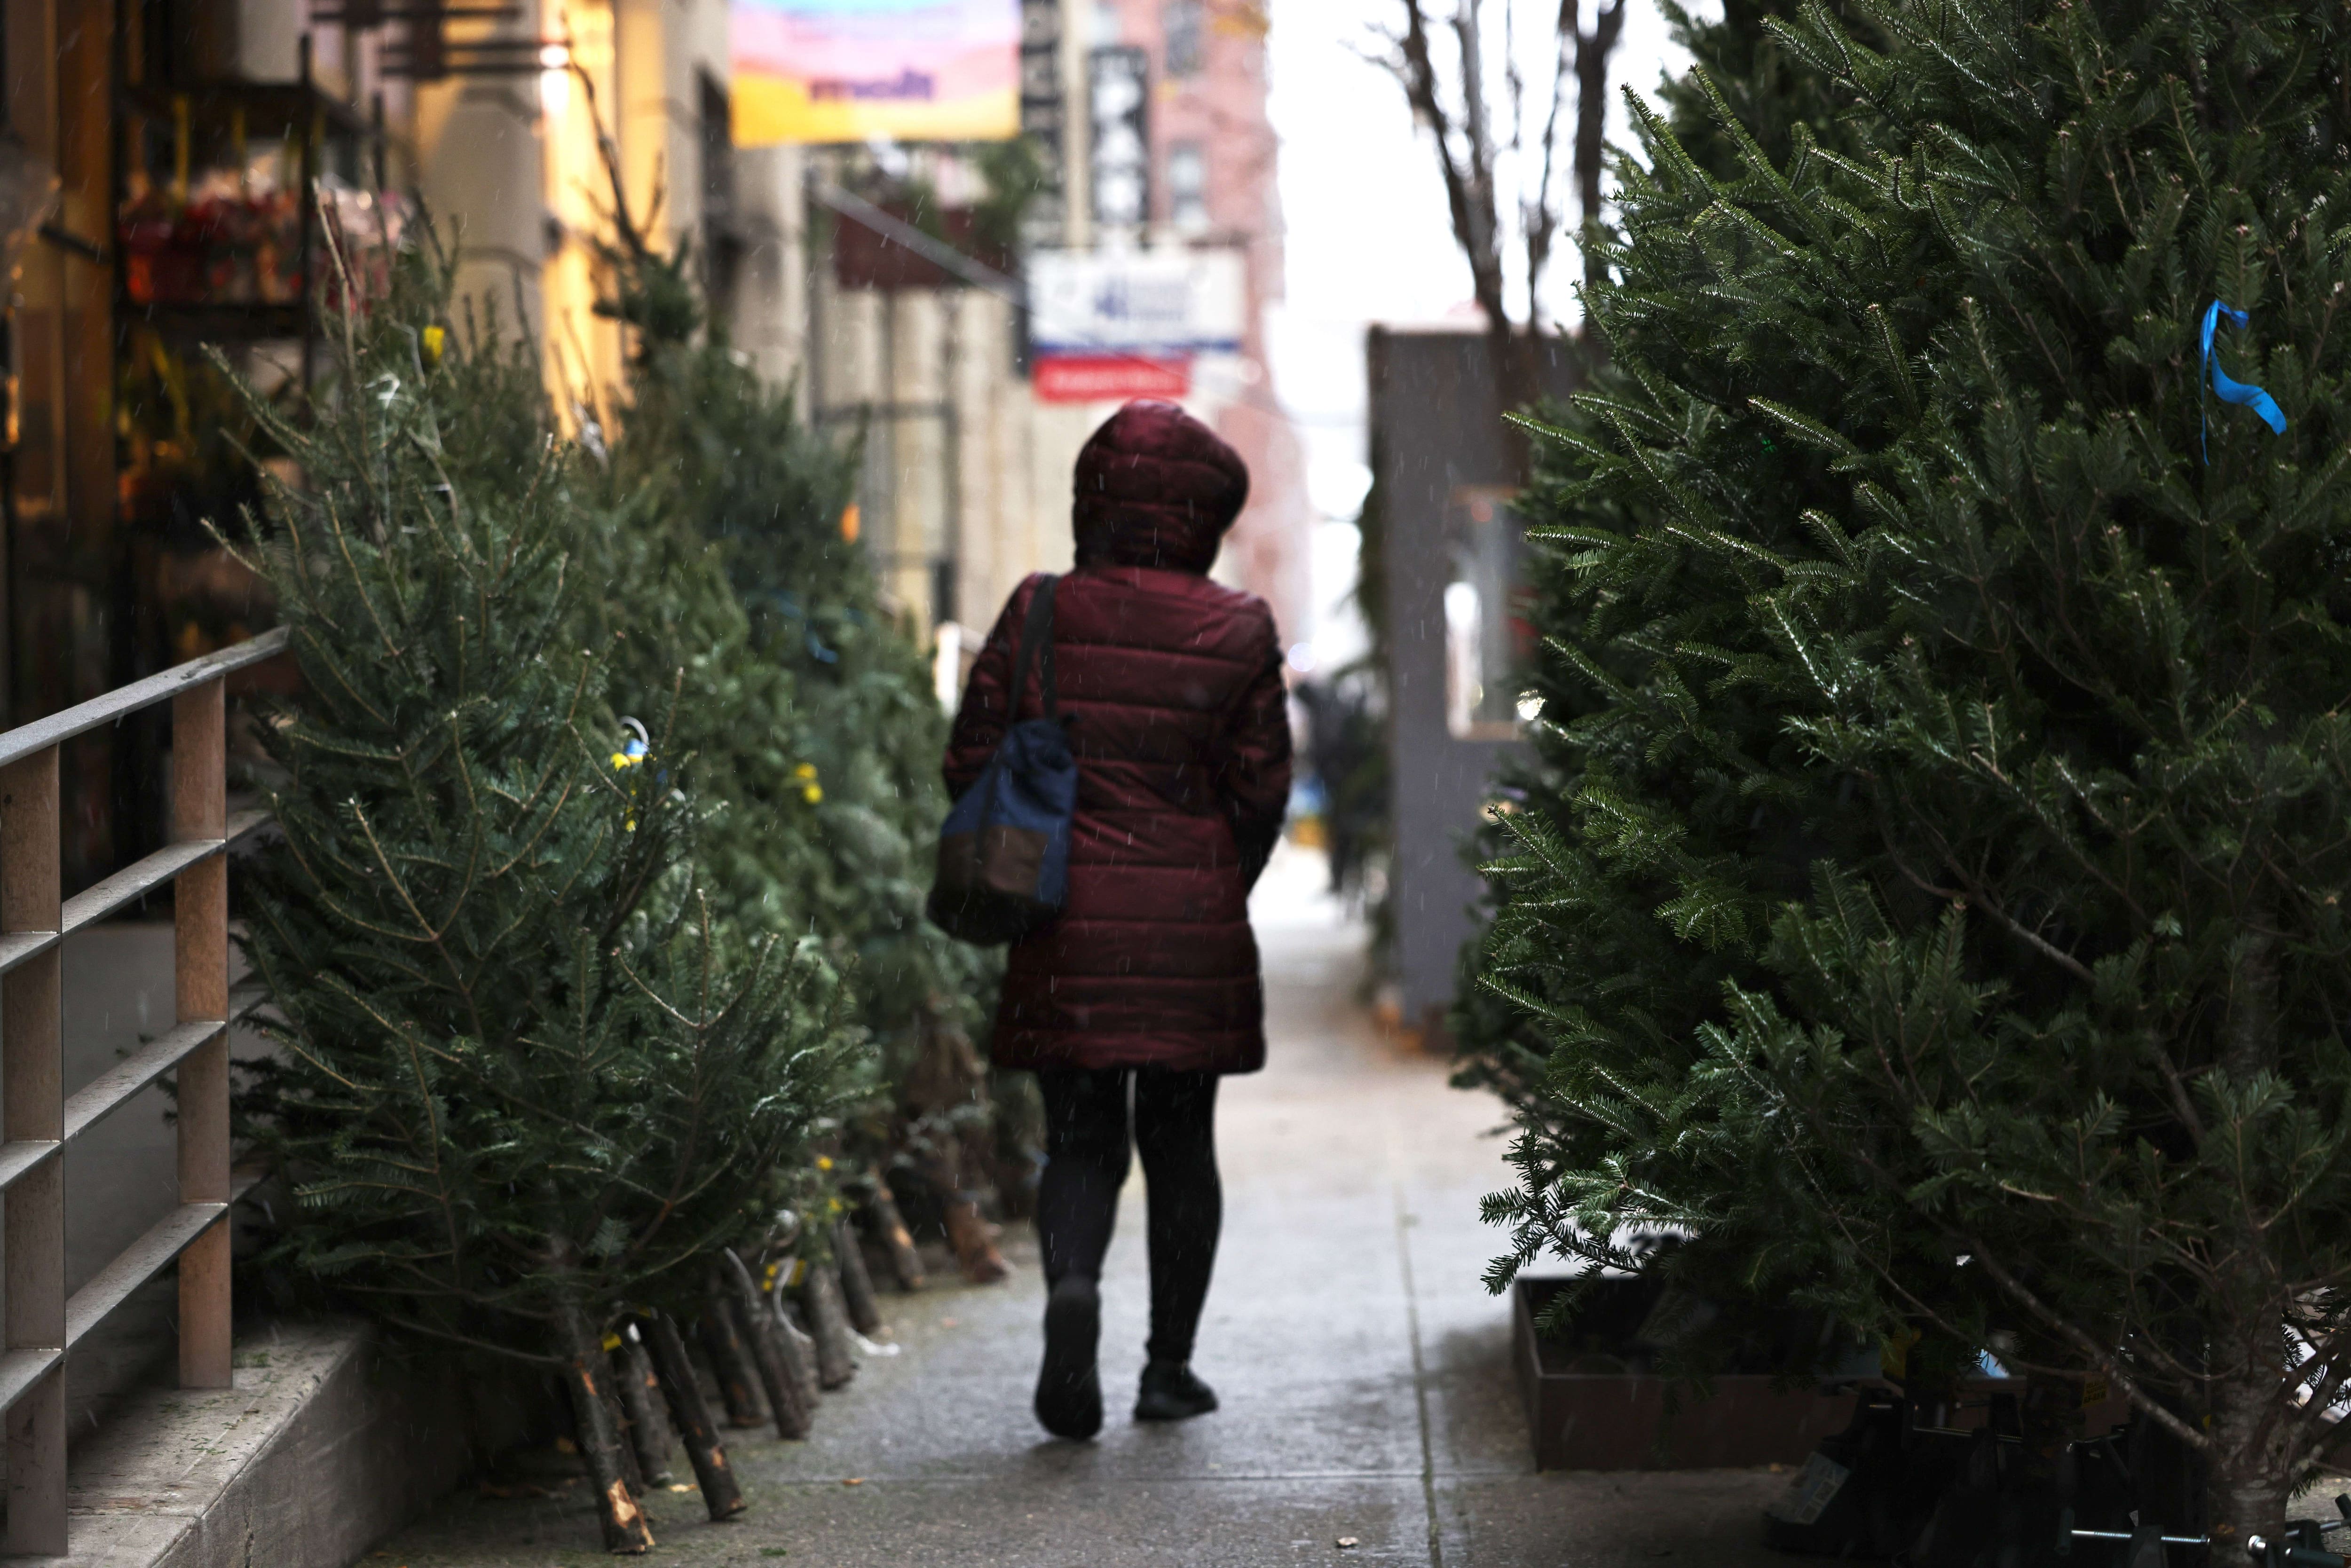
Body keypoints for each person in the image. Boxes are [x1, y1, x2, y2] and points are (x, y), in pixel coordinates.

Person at [942, 400, 1292, 1441]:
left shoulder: (1041, 607)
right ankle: (1167, 1369)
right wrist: (1214, 880)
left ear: (1092, 500)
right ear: (1204, 517)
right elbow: (1261, 792)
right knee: (1181, 1146)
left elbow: (970, 759)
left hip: (1064, 925)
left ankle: (1072, 1289)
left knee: (1080, 1139)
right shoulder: (1239, 627)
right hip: (1189, 921)